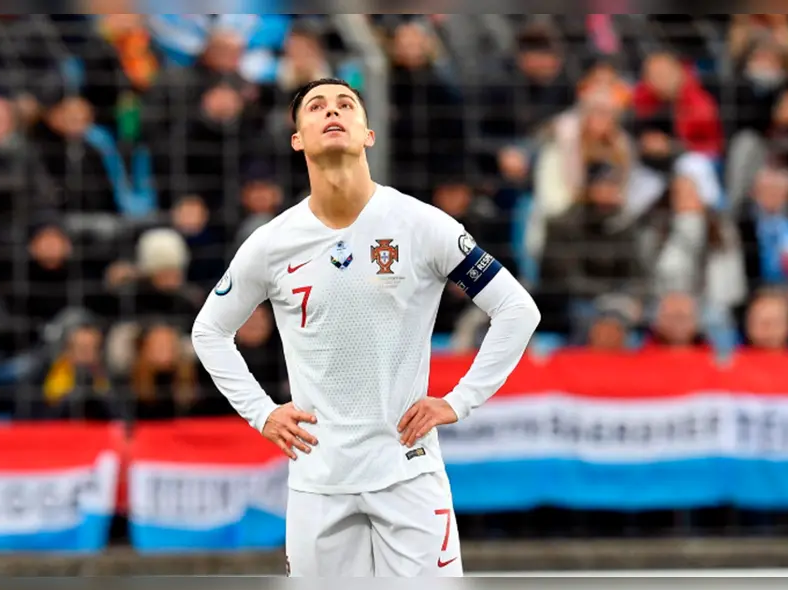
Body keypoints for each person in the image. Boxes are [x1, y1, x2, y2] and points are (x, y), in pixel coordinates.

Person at [191, 77, 540, 577]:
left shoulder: (422, 225)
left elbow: (517, 309)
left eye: (345, 104)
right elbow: (208, 332)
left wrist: (459, 400)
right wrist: (262, 413)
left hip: (407, 474)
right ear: (298, 139)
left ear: (367, 134)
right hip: (318, 481)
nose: (331, 112)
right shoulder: (272, 243)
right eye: (316, 106)